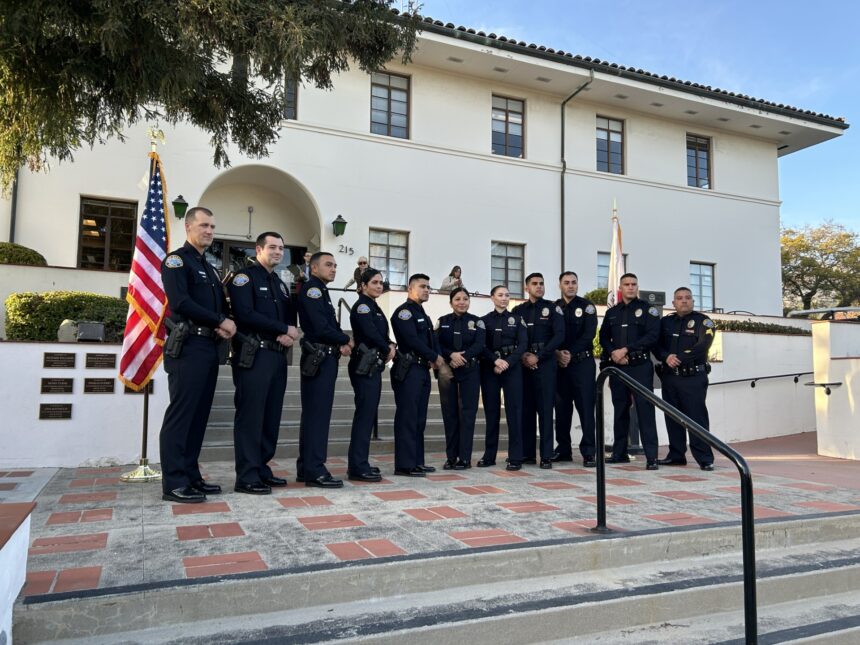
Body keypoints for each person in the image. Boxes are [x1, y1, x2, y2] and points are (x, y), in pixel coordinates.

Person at [159, 206, 236, 504]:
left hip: (207, 347)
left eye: (213, 227)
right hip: (187, 347)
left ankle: (191, 475)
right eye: (204, 225)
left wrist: (224, 323)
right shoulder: (177, 261)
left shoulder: (209, 266)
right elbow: (181, 302)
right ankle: (174, 483)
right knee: (181, 415)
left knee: (199, 416)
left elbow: (217, 305)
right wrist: (219, 321)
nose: (209, 231)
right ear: (188, 227)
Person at [226, 232, 299, 495]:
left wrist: (289, 334)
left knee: (270, 416)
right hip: (254, 355)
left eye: (281, 248)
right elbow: (244, 313)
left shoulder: (279, 283)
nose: (278, 252)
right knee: (251, 416)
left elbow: (289, 317)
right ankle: (246, 476)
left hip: (277, 355)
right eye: (272, 247)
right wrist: (283, 328)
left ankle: (261, 467)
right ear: (258, 249)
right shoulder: (245, 278)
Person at [296, 252, 353, 488]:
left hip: (325, 357)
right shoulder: (313, 289)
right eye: (328, 265)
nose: (333, 269)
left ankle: (307, 467)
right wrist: (345, 339)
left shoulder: (322, 290)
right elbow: (320, 326)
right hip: (318, 357)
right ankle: (314, 469)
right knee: (317, 416)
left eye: (335, 266)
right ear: (314, 267)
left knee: (317, 415)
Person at [599, 272, 662, 470]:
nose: (630, 287)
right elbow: (603, 338)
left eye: (634, 284)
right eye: (626, 284)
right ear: (620, 288)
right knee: (620, 410)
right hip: (618, 367)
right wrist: (614, 354)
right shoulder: (612, 312)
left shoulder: (647, 310)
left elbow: (653, 336)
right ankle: (620, 453)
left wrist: (626, 350)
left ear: (637, 287)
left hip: (640, 366)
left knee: (645, 410)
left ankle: (652, 457)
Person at [654, 287, 716, 471]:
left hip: (693, 378)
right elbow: (656, 345)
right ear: (673, 303)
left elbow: (703, 345)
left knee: (696, 419)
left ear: (693, 301)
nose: (684, 301)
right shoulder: (665, 322)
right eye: (679, 298)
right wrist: (666, 357)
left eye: (688, 298)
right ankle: (676, 455)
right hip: (670, 377)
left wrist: (678, 357)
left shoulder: (703, 321)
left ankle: (705, 458)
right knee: (672, 418)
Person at [390, 273, 444, 476]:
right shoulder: (404, 312)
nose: (426, 290)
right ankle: (405, 465)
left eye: (428, 287)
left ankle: (417, 461)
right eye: (422, 286)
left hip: (422, 370)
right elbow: (411, 339)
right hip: (409, 369)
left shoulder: (422, 313)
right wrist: (434, 356)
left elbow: (430, 339)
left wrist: (435, 356)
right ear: (410, 289)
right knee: (408, 417)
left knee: (419, 418)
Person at [347, 268, 395, 482]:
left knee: (368, 416)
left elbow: (382, 334)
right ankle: (357, 467)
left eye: (380, 283)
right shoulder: (363, 306)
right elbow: (370, 333)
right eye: (374, 282)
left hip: (373, 365)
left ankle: (361, 462)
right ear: (363, 285)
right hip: (363, 366)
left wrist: (390, 344)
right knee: (364, 416)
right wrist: (388, 348)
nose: (378, 286)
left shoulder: (374, 305)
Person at [512, 273, 564, 468]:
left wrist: (539, 356)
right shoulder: (518, 310)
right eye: (534, 284)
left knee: (545, 410)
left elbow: (559, 336)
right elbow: (514, 336)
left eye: (541, 283)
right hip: (524, 365)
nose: (539, 287)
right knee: (526, 410)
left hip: (546, 364)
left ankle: (546, 455)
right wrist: (524, 355)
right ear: (527, 287)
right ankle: (527, 454)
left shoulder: (552, 308)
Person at [435, 287, 486, 469]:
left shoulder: (477, 322)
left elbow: (480, 344)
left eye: (465, 298)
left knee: (467, 415)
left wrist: (461, 357)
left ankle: (464, 458)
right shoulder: (443, 322)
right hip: (448, 372)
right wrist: (451, 356)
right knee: (449, 415)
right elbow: (437, 343)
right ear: (451, 302)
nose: (462, 302)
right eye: (457, 299)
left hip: (470, 372)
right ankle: (451, 457)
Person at [478, 285, 527, 470]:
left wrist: (507, 362)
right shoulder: (483, 321)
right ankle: (489, 455)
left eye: (507, 295)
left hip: (512, 368)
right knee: (491, 413)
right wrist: (495, 362)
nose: (504, 298)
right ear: (492, 298)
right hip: (490, 368)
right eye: (500, 295)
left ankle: (515, 457)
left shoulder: (517, 319)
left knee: (514, 413)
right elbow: (481, 345)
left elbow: (523, 344)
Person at [554, 271, 598, 467]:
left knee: (586, 408)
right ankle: (563, 450)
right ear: (560, 285)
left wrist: (569, 353)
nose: (570, 286)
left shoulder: (587, 307)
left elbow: (589, 335)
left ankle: (589, 452)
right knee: (562, 409)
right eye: (566, 283)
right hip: (560, 366)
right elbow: (549, 334)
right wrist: (558, 354)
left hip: (582, 364)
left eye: (573, 283)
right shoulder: (553, 308)